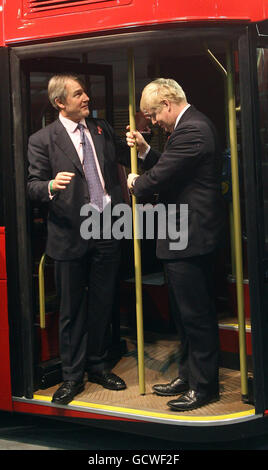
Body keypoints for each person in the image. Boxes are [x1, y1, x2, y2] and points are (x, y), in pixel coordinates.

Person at [28, 74, 133, 405]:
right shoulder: (42, 139)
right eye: (78, 94)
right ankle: (72, 377)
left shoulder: (101, 129)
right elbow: (32, 184)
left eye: (84, 92)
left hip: (107, 228)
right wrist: (49, 186)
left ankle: (98, 364)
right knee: (71, 310)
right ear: (60, 102)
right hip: (69, 233)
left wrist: (138, 138)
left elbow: (122, 157)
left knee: (103, 302)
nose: (86, 97)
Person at [127, 78, 225, 411]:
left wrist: (136, 182)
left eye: (153, 114)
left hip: (191, 237)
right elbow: (173, 169)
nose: (152, 121)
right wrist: (146, 152)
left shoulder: (192, 130)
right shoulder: (187, 129)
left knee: (195, 315)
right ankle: (187, 374)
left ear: (168, 104)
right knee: (184, 315)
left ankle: (204, 386)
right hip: (182, 235)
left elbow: (160, 178)